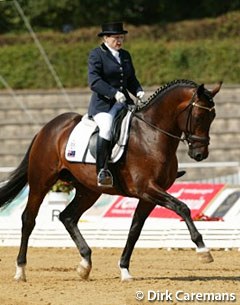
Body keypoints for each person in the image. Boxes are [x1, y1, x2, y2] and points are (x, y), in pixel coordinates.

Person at [88, 22, 145, 187]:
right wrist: (113, 93)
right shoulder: (96, 55)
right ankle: (102, 170)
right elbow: (94, 81)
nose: (119, 41)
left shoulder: (125, 55)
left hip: (124, 102)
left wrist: (138, 90)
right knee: (106, 128)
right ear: (106, 38)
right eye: (116, 38)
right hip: (103, 105)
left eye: (121, 37)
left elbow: (131, 79)